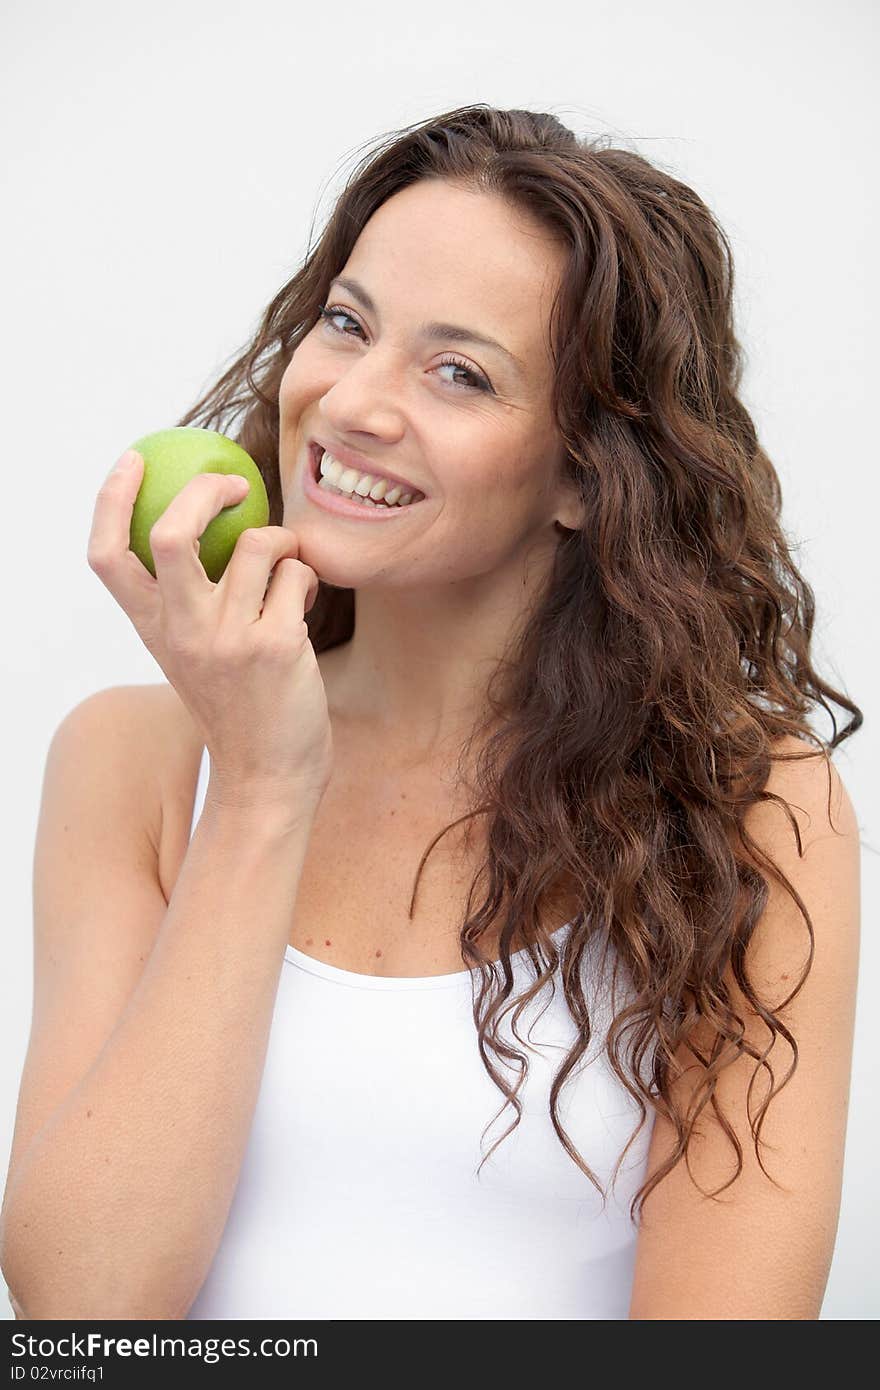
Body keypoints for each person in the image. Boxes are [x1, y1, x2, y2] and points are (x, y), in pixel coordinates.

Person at [0, 104, 862, 1321]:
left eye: (459, 371)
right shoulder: (132, 761)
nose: (352, 402)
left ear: (581, 473)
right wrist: (258, 784)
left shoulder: (749, 812)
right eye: (346, 323)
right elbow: (85, 1312)